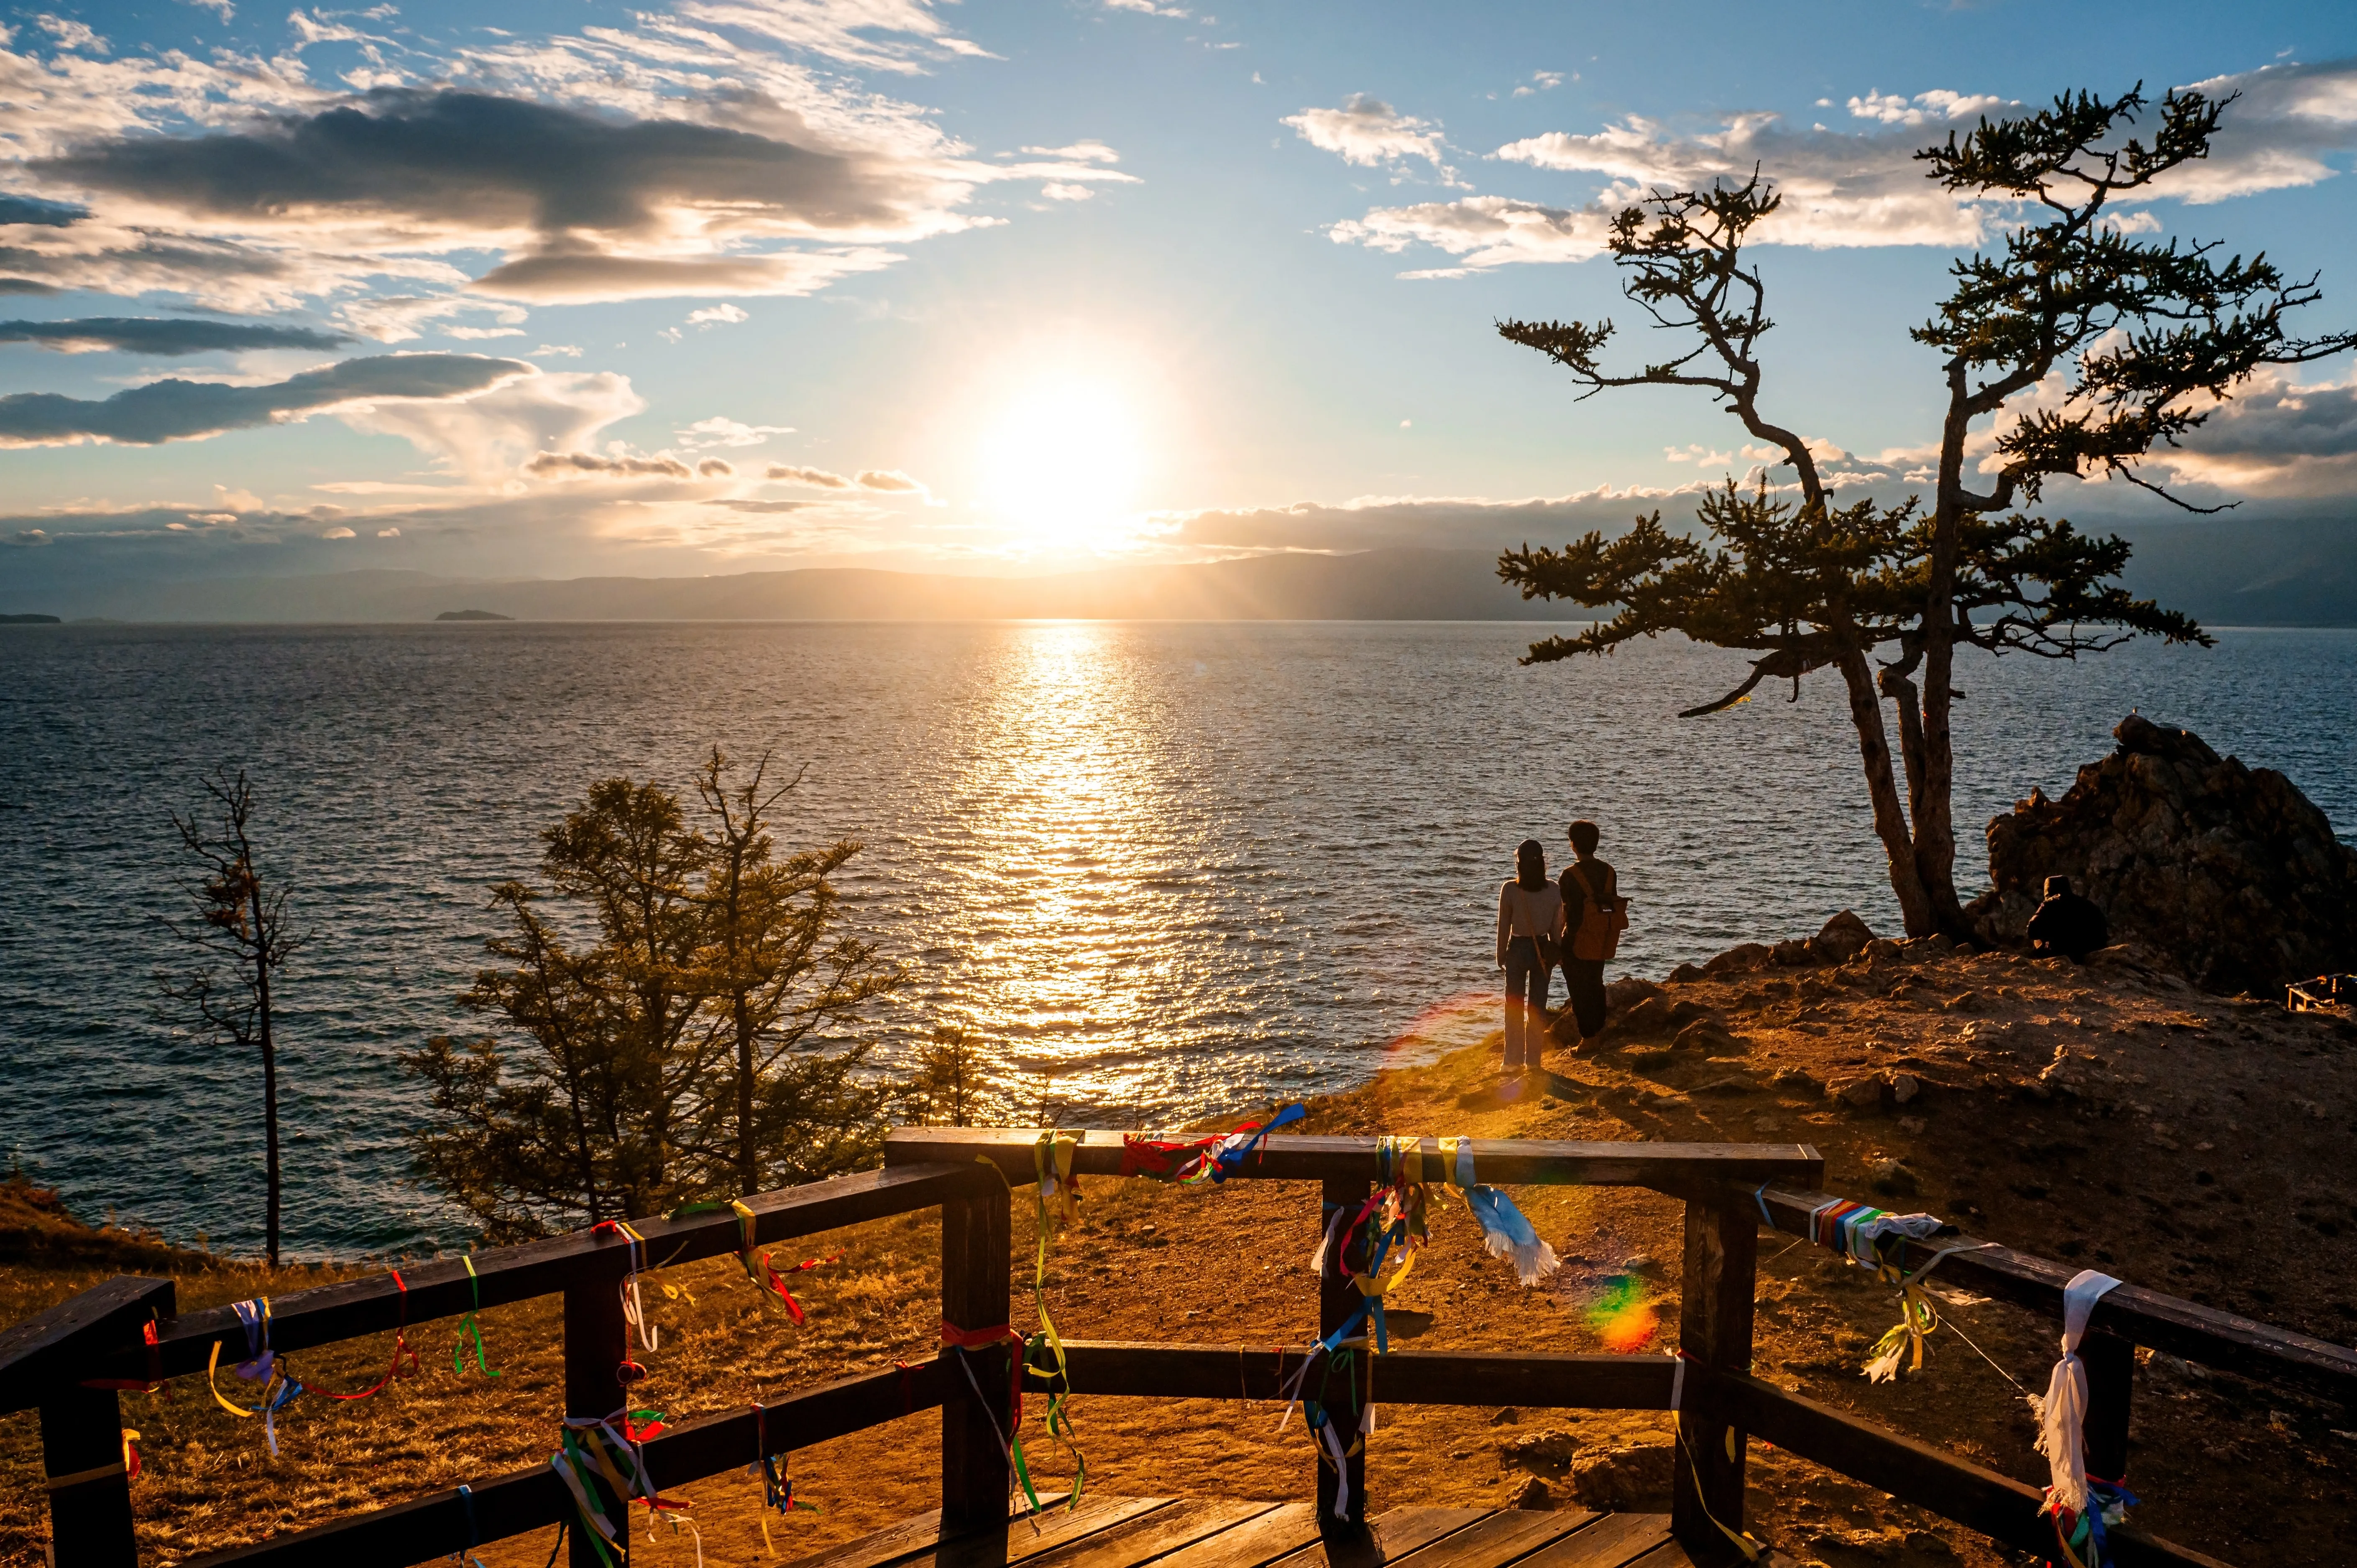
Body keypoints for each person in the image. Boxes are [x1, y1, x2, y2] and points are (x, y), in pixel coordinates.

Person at [1495, 838, 1565, 1075]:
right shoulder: (1554, 889)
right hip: (1543, 949)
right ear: (1543, 863)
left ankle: (1512, 1061)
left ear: (1519, 863)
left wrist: (1500, 956)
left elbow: (1504, 926)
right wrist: (1557, 951)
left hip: (1517, 949)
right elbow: (1558, 926)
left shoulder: (1510, 889)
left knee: (1513, 1006)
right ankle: (1534, 1062)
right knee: (1538, 1007)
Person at [1556, 819, 1624, 1043]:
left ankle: (1588, 1038)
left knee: (1578, 990)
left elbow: (1564, 913)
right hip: (1601, 937)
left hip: (1575, 941)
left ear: (1573, 845)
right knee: (1596, 984)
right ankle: (1597, 1032)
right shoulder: (1609, 872)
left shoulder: (1568, 875)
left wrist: (1557, 943)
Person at [2025, 874, 2109, 961]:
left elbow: (2032, 932)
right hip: (2091, 952)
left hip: (2062, 954)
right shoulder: (2088, 904)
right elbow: (2103, 931)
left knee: (2038, 942)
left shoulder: (2050, 905)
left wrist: (2048, 933)